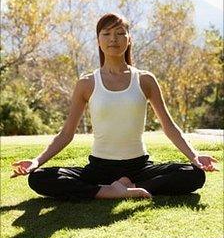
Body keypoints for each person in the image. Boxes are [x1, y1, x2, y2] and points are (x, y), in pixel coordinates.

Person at [11, 13, 219, 201]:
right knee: (38, 178)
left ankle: (132, 187)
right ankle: (108, 191)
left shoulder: (145, 80)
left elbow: (169, 126)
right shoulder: (87, 83)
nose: (113, 39)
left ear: (129, 40)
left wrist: (195, 156)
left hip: (138, 166)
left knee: (194, 174)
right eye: (106, 33)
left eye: (120, 33)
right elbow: (66, 133)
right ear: (98, 40)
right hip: (99, 168)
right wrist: (36, 162)